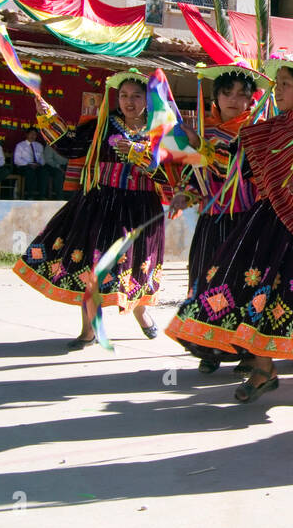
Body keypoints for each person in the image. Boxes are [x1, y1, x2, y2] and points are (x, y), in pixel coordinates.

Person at [169, 53, 293, 405]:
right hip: (269, 217)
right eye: (277, 83)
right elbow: (235, 169)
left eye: (285, 84)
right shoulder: (268, 127)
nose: (277, 90)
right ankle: (264, 368)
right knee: (255, 286)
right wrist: (194, 164)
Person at [14, 71, 179, 347]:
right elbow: (70, 145)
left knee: (135, 264)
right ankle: (88, 330)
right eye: (124, 95)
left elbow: (173, 173)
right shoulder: (104, 124)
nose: (129, 101)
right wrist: (48, 116)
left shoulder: (161, 131)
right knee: (92, 265)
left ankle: (140, 310)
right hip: (100, 203)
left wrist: (140, 156)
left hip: (140, 209)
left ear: (148, 99)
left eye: (137, 96)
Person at [165, 65, 272, 374]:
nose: (234, 100)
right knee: (204, 280)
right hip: (213, 219)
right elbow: (194, 174)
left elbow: (235, 169)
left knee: (243, 285)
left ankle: (249, 352)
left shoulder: (258, 130)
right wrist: (184, 194)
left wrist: (200, 146)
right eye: (227, 93)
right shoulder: (205, 131)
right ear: (216, 96)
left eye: (242, 94)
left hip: (247, 220)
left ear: (252, 99)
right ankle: (208, 347)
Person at [12, 126, 50, 200]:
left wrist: (39, 164)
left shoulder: (39, 146)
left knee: (44, 172)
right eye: (31, 134)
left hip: (37, 166)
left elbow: (42, 159)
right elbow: (16, 160)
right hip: (24, 166)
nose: (33, 136)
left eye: (35, 134)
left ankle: (42, 195)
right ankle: (30, 195)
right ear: (26, 134)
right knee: (30, 172)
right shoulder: (20, 145)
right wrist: (28, 164)